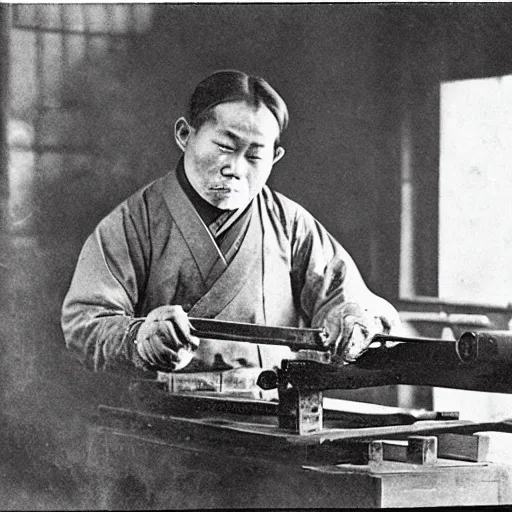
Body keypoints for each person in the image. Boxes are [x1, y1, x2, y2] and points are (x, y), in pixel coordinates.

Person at [61, 70, 400, 377]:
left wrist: (354, 321)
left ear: (275, 158)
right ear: (184, 135)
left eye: (254, 155)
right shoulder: (132, 223)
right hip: (163, 422)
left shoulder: (291, 225)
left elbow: (349, 300)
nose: (235, 168)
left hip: (272, 412)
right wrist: (137, 338)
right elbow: (85, 323)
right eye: (225, 147)